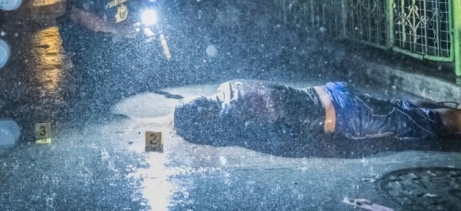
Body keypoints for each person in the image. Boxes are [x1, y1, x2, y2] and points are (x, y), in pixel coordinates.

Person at [174, 80, 461, 146]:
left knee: (432, 125)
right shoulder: (227, 86)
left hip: (345, 115)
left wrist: (156, 140)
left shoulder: (231, 117)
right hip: (330, 92)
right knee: (405, 109)